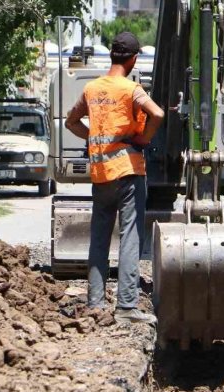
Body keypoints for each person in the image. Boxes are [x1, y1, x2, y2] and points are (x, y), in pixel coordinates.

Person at [65, 32, 165, 324]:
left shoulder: (92, 89)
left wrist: (93, 136)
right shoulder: (131, 89)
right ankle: (126, 306)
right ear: (133, 59)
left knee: (99, 238)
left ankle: (95, 303)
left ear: (112, 56)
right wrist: (142, 138)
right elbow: (157, 114)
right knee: (130, 235)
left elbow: (72, 122)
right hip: (128, 172)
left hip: (101, 175)